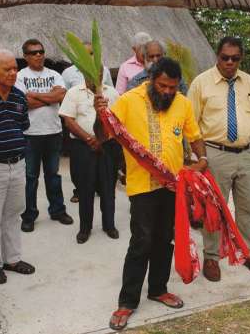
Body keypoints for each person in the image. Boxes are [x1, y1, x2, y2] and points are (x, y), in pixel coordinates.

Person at [95, 58, 208, 331]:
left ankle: (158, 289)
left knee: (164, 239)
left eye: (172, 87)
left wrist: (201, 158)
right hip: (141, 185)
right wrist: (99, 113)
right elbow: (102, 136)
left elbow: (194, 135)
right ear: (151, 80)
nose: (168, 92)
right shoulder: (128, 99)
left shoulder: (182, 103)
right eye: (163, 86)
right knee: (141, 241)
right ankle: (127, 301)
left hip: (172, 185)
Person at [188, 36, 250, 282]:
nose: (230, 62)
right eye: (225, 58)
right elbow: (189, 122)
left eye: (235, 58)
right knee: (213, 210)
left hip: (248, 155)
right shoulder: (201, 83)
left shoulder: (249, 82)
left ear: (240, 58)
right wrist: (196, 158)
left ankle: (247, 252)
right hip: (215, 155)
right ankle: (212, 256)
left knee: (247, 207)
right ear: (217, 56)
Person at [0, 49, 35, 285]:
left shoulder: (19, 97)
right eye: (8, 69)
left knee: (13, 213)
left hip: (17, 164)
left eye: (15, 68)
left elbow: (22, 126)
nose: (14, 73)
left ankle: (12, 259)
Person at [15, 39, 73, 232]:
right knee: (30, 177)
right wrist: (50, 98)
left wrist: (35, 95)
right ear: (26, 56)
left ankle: (57, 210)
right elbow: (25, 103)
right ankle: (29, 215)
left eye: (41, 52)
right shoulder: (20, 76)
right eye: (33, 53)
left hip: (53, 132)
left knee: (53, 175)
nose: (38, 55)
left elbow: (61, 96)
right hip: (30, 133)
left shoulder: (54, 74)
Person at [59, 69, 120, 244]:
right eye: (91, 73)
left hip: (107, 146)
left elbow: (117, 119)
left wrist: (103, 138)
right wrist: (88, 138)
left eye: (99, 73)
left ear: (103, 75)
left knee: (108, 188)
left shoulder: (112, 93)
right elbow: (68, 120)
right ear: (84, 75)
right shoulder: (73, 93)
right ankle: (85, 228)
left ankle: (109, 225)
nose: (96, 77)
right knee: (85, 189)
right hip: (82, 146)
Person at [61, 41, 114, 204]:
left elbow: (111, 98)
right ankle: (81, 193)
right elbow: (67, 113)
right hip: (82, 140)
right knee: (81, 176)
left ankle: (108, 221)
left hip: (105, 139)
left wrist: (101, 138)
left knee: (105, 180)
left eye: (92, 53)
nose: (89, 57)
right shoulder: (68, 73)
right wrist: (88, 138)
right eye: (84, 53)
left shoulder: (104, 71)